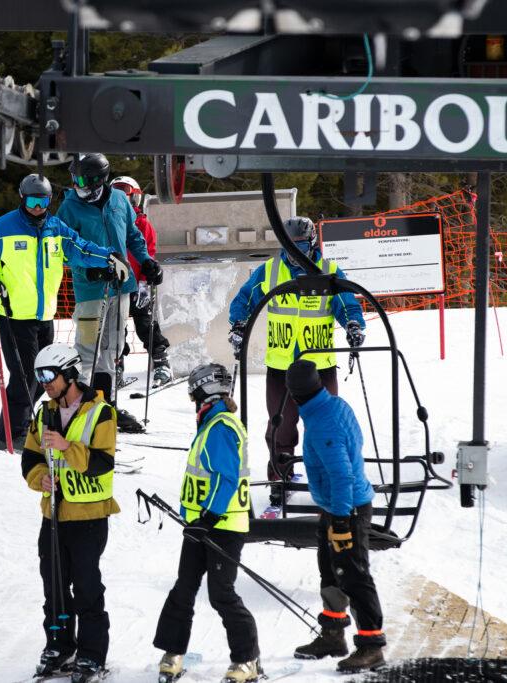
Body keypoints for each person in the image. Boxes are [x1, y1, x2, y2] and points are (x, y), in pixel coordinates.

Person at [0, 174, 117, 452]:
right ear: (22, 199)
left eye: (42, 201)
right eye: (32, 200)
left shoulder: (55, 228)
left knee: (47, 375)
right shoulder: (4, 227)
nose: (37, 207)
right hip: (14, 314)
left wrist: (108, 256)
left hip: (45, 314)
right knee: (24, 378)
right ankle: (10, 434)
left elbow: (81, 248)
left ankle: (17, 427)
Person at [227, 216, 365, 514]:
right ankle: (280, 479)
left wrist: (354, 324)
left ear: (312, 243)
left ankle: (331, 480)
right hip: (282, 365)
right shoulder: (271, 271)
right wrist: (238, 324)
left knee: (326, 426)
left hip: (320, 365)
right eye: (291, 248)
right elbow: (244, 299)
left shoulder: (328, 271)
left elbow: (346, 304)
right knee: (280, 425)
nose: (296, 253)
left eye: (301, 247)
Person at [154, 363, 260, 683]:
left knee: (221, 593)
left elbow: (225, 478)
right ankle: (173, 652)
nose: (192, 400)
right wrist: (198, 519)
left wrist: (209, 517)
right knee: (184, 588)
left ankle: (247, 659)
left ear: (205, 392)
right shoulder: (211, 424)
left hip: (223, 526)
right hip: (202, 524)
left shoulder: (221, 428)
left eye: (194, 393)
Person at [21, 343, 118, 683]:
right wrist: (40, 478)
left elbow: (103, 463)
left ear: (70, 373)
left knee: (86, 586)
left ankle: (92, 654)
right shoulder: (43, 412)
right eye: (39, 376)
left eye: (50, 375)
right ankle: (60, 645)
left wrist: (67, 447)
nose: (44, 382)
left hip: (89, 517)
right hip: (54, 516)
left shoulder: (100, 412)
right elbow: (30, 457)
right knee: (54, 586)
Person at [285, 359, 386, 673]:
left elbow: (342, 476)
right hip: (336, 507)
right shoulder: (334, 405)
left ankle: (372, 647)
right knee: (331, 572)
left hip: (348, 509)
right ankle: (332, 635)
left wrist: (342, 521)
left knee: (354, 576)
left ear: (294, 395)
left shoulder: (322, 424)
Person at [56, 154, 163, 434]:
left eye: (83, 179)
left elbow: (132, 236)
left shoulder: (118, 200)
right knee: (89, 350)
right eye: (75, 179)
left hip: (121, 287)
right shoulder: (70, 207)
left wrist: (146, 261)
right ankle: (81, 409)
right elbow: (64, 247)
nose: (78, 185)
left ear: (99, 179)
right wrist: (92, 268)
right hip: (91, 291)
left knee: (113, 350)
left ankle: (107, 406)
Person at [110, 175, 172, 389]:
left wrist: (145, 283)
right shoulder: (109, 223)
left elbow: (149, 252)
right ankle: (117, 364)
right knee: (116, 327)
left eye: (130, 200)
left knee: (145, 323)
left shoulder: (141, 223)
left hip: (139, 284)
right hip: (116, 285)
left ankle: (161, 361)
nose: (127, 205)